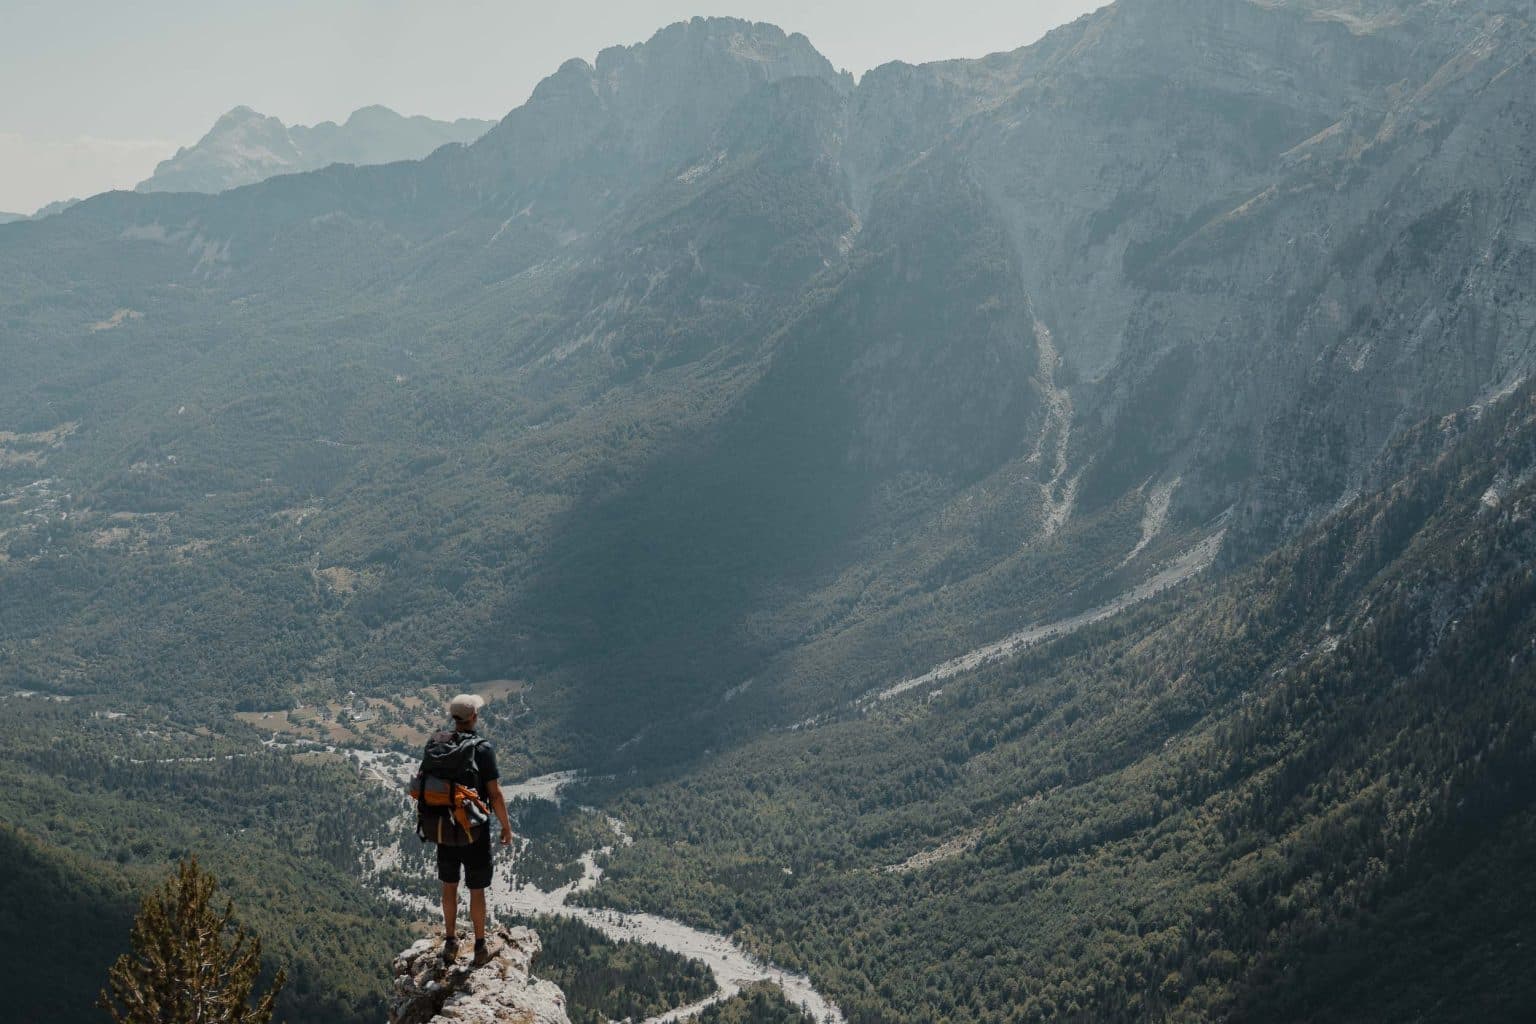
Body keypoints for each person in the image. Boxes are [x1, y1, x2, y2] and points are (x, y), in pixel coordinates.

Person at [436, 693, 513, 964]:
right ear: (474, 717)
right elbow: (495, 794)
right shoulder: (482, 749)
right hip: (475, 830)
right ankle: (480, 948)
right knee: (476, 889)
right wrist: (506, 827)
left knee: (449, 885)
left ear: (454, 718)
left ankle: (450, 942)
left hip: (445, 827)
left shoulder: (439, 744)